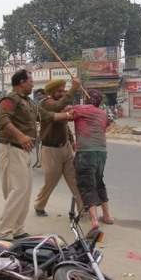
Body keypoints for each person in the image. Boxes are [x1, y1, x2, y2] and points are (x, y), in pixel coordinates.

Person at [0, 69, 73, 239]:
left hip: (24, 151)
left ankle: (17, 229)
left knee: (25, 191)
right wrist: (20, 135)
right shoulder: (9, 99)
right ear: (22, 82)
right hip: (11, 148)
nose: (32, 84)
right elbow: (2, 120)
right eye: (30, 81)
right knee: (18, 190)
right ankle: (4, 231)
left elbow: (47, 116)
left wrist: (68, 115)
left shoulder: (29, 103)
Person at [33, 78, 82, 217]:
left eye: (63, 90)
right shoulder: (46, 103)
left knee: (74, 180)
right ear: (52, 92)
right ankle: (39, 206)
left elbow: (64, 125)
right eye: (59, 91)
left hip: (65, 147)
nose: (62, 93)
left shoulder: (59, 105)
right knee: (51, 181)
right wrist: (74, 88)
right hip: (50, 149)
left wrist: (72, 141)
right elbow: (57, 106)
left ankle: (83, 209)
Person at [72, 89, 113, 231]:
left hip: (85, 152)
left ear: (87, 98)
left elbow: (64, 111)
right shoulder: (103, 113)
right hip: (101, 152)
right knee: (99, 181)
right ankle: (107, 216)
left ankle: (94, 220)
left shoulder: (80, 109)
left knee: (86, 184)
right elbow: (106, 125)